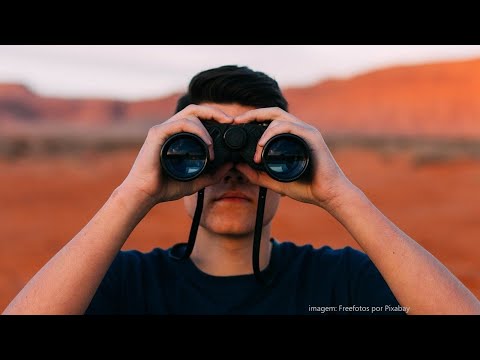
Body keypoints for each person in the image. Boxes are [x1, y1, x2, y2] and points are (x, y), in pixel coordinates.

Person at [3, 65, 480, 315]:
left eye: (260, 156)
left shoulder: (341, 285)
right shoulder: (122, 283)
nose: (232, 172)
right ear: (167, 162)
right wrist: (134, 192)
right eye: (201, 155)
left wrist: (341, 194)